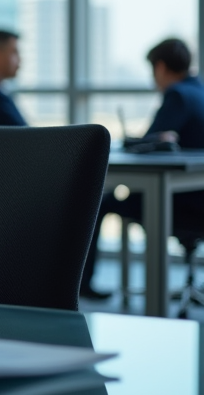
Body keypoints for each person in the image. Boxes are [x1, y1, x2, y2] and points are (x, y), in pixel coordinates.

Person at [82, 38, 204, 299]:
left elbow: (152, 137)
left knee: (102, 201)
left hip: (182, 202)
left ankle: (83, 284)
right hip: (197, 193)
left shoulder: (178, 94)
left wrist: (130, 141)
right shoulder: (199, 90)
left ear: (160, 67)